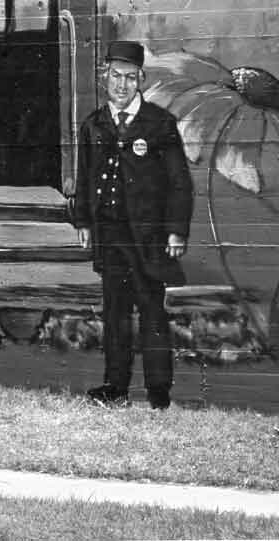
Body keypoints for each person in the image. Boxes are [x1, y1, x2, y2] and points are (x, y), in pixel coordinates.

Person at [73, 41, 194, 410]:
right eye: (115, 77)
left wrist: (175, 230)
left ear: (140, 79)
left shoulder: (158, 124)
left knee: (152, 312)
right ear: (104, 77)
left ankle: (159, 392)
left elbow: (178, 182)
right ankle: (115, 387)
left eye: (129, 78)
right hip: (110, 236)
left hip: (148, 238)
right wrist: (83, 219)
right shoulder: (94, 124)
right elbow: (84, 176)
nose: (121, 85)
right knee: (115, 313)